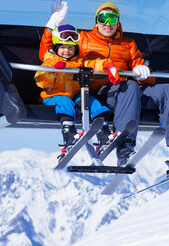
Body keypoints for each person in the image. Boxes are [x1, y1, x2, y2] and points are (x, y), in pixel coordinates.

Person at [40, 0, 169, 169]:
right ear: (96, 21)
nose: (107, 24)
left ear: (118, 22)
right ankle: (125, 144)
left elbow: (147, 79)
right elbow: (51, 52)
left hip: (127, 93)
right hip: (99, 92)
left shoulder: (128, 44)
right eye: (103, 19)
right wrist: (52, 24)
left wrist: (143, 71)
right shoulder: (84, 38)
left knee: (165, 90)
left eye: (112, 19)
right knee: (129, 86)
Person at [35, 24, 121, 156]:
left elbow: (92, 63)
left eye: (70, 48)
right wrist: (53, 70)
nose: (67, 51)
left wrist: (106, 65)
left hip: (75, 95)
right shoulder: (50, 61)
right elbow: (41, 81)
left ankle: (103, 131)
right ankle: (69, 133)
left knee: (90, 100)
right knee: (65, 101)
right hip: (53, 97)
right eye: (63, 47)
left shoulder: (79, 61)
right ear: (56, 48)